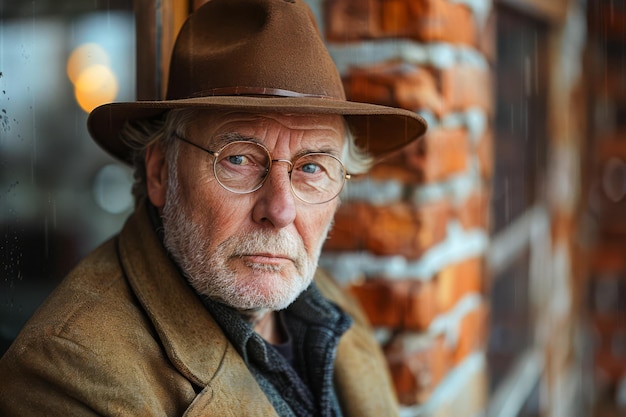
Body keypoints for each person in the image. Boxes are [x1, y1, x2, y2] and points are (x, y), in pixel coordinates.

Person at [0, 0, 426, 415]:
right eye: (238, 159)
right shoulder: (67, 372)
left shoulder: (326, 302)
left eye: (312, 166)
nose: (280, 210)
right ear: (161, 173)